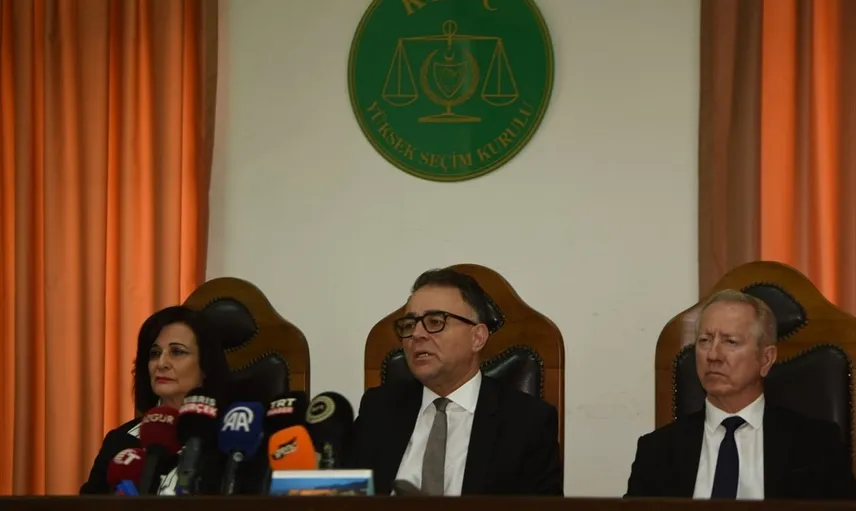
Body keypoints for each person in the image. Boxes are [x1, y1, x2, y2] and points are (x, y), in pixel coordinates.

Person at [344, 268, 563, 496]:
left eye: (435, 322)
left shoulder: (527, 423)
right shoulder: (378, 409)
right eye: (409, 325)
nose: (417, 334)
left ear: (477, 337)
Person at [625, 289, 855, 500]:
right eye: (704, 341)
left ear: (766, 359)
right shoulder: (656, 451)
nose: (713, 355)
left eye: (730, 342)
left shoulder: (817, 445)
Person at [80, 305, 231, 494]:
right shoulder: (119, 441)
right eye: (155, 353)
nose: (161, 363)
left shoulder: (229, 438)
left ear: (206, 365)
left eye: (177, 352)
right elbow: (89, 504)